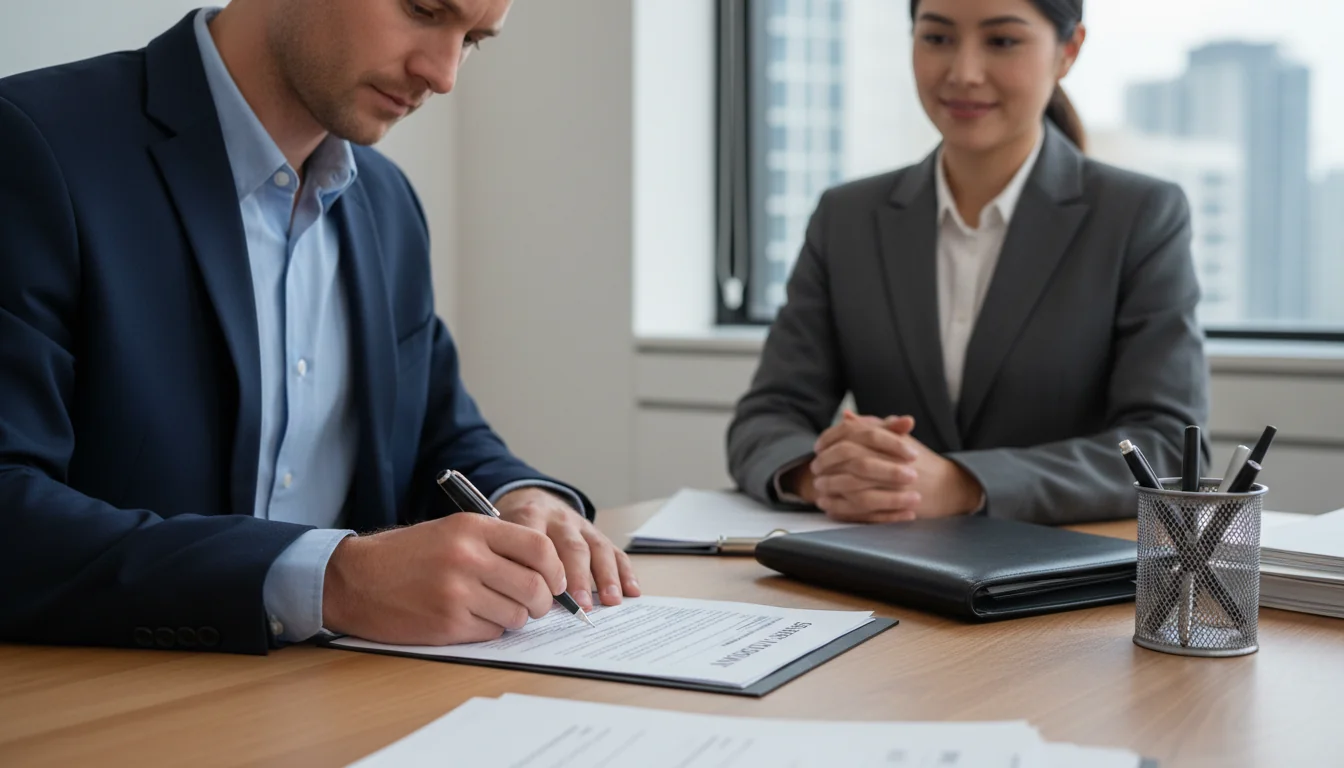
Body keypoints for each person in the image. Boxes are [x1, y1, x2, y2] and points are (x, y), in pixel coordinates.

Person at [0, 0, 639, 655]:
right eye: (422, 9)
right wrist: (334, 580)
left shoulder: (388, 204)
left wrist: (524, 497)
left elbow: (436, 432)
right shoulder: (30, 144)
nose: (443, 74)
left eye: (474, 39)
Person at [727, 0, 1209, 526]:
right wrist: (826, 475)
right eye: (937, 38)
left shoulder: (1139, 215)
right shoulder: (847, 218)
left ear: (1068, 51)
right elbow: (767, 417)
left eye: (1001, 41)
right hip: (880, 569)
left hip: (1057, 581)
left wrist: (964, 485)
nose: (963, 73)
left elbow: (1168, 450)